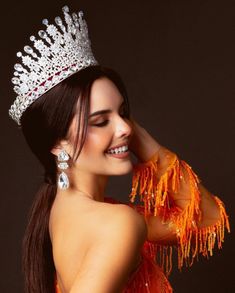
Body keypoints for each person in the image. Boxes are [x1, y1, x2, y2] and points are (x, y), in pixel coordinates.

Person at [9, 5, 230, 293]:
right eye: (100, 121)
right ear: (57, 143)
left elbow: (203, 219)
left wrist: (126, 129)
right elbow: (207, 218)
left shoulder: (64, 211)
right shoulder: (117, 224)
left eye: (124, 113)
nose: (125, 128)